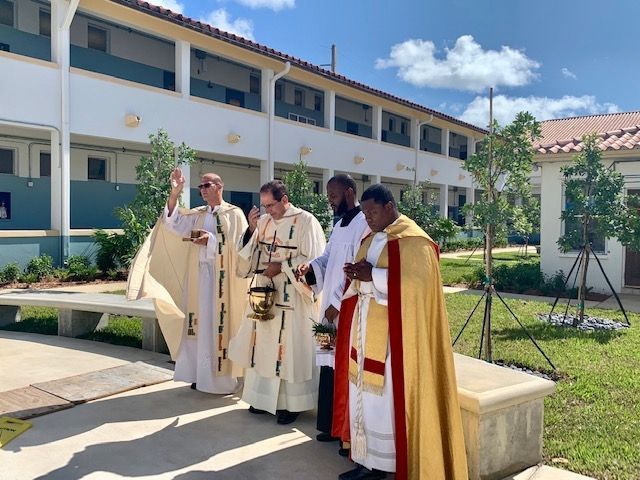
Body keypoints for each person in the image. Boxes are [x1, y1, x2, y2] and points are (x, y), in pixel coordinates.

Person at [334, 184, 468, 480]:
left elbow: (417, 288)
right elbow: (365, 277)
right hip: (366, 326)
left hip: (395, 338)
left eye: (372, 212)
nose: (367, 218)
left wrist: (374, 276)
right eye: (365, 212)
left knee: (383, 400)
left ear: (390, 207)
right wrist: (356, 274)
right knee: (362, 394)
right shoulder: (371, 238)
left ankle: (385, 464)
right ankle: (364, 458)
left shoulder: (415, 241)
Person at [127, 167, 248, 394]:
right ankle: (199, 375)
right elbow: (171, 223)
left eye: (207, 185)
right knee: (198, 326)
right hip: (198, 279)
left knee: (217, 326)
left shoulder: (234, 214)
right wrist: (174, 193)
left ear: (219, 187)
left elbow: (240, 248)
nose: (202, 189)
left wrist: (210, 241)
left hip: (222, 283)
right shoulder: (198, 214)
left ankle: (221, 381)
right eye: (200, 186)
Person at [229, 180, 326, 425]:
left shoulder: (306, 221)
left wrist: (282, 267)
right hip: (265, 293)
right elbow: (249, 256)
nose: (267, 211)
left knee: (290, 348)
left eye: (271, 205)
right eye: (264, 206)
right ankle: (261, 399)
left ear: (284, 199)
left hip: (293, 295)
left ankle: (290, 406)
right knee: (263, 345)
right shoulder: (263, 222)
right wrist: (251, 230)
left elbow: (314, 260)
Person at [295, 174, 369, 451]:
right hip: (330, 305)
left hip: (347, 305)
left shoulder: (364, 223)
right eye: (328, 196)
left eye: (334, 195)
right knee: (329, 365)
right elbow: (328, 257)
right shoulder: (339, 224)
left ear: (349, 192)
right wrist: (311, 267)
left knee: (343, 367)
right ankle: (329, 425)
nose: (329, 200)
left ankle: (345, 432)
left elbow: (357, 268)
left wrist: (337, 304)